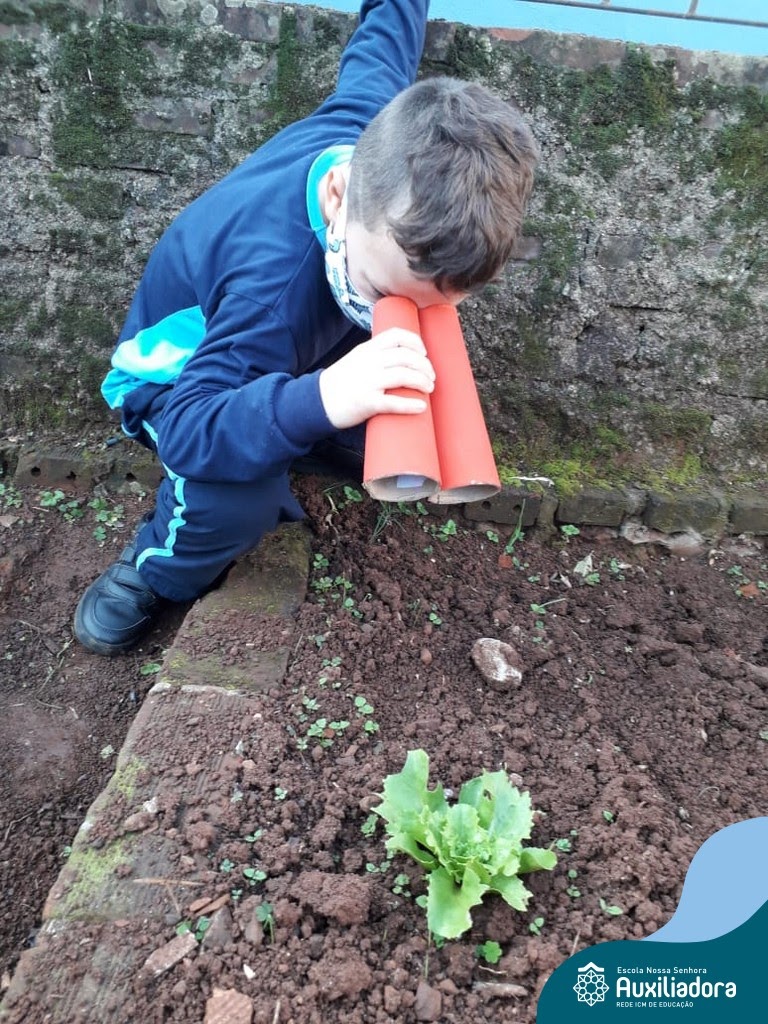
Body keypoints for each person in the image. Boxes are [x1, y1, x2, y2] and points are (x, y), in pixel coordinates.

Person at [74, 0, 538, 656]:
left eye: (432, 304)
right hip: (179, 389)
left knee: (408, 424)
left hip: (289, 357)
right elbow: (186, 431)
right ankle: (157, 569)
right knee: (235, 501)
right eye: (383, 294)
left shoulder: (372, 131)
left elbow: (382, 45)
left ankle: (295, 426)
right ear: (337, 193)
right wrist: (324, 397)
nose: (398, 311)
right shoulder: (267, 298)